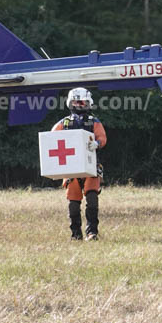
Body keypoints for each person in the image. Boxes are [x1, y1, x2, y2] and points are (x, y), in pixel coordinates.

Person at [51, 87, 106, 240]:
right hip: (71, 169)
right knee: (73, 203)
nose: (80, 105)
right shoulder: (64, 123)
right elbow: (51, 139)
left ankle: (92, 232)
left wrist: (97, 143)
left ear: (88, 103)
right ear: (71, 103)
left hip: (90, 166)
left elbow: (102, 137)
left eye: (83, 102)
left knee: (92, 199)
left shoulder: (94, 122)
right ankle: (76, 234)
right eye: (77, 102)